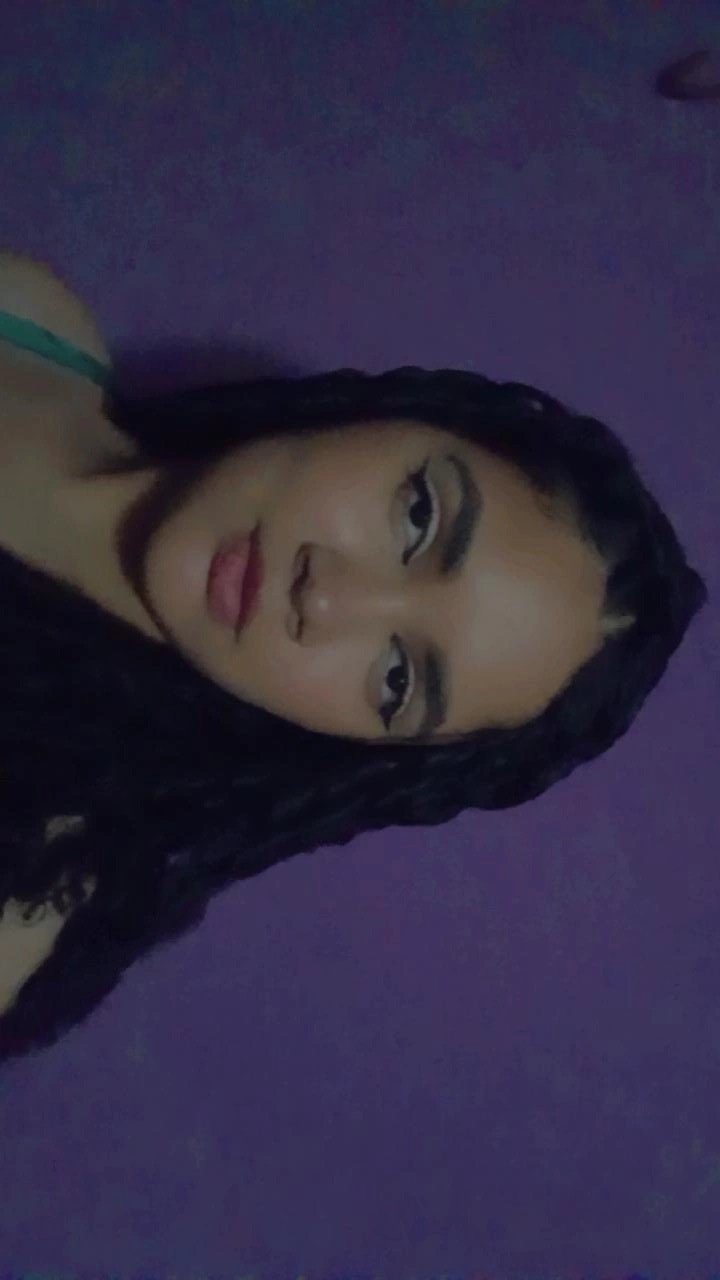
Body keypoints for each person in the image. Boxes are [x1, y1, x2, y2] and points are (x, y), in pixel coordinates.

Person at [0, 250, 707, 1059]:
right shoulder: (35, 319)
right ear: (390, 417)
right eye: (418, 518)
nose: (327, 597)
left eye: (399, 678)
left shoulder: (26, 886)